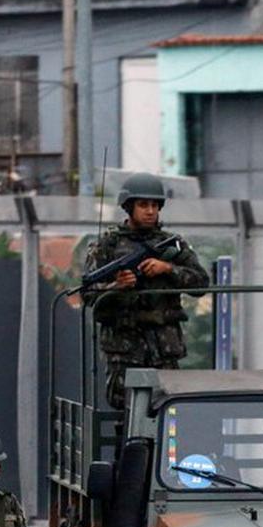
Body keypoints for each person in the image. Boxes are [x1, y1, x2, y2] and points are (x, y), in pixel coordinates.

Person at [83, 172, 209, 408]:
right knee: (127, 414)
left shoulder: (172, 244)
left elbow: (201, 283)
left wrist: (168, 269)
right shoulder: (107, 245)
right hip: (125, 349)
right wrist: (116, 287)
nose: (150, 211)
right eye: (143, 205)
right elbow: (88, 294)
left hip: (164, 348)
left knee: (167, 410)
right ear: (129, 208)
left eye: (154, 205)